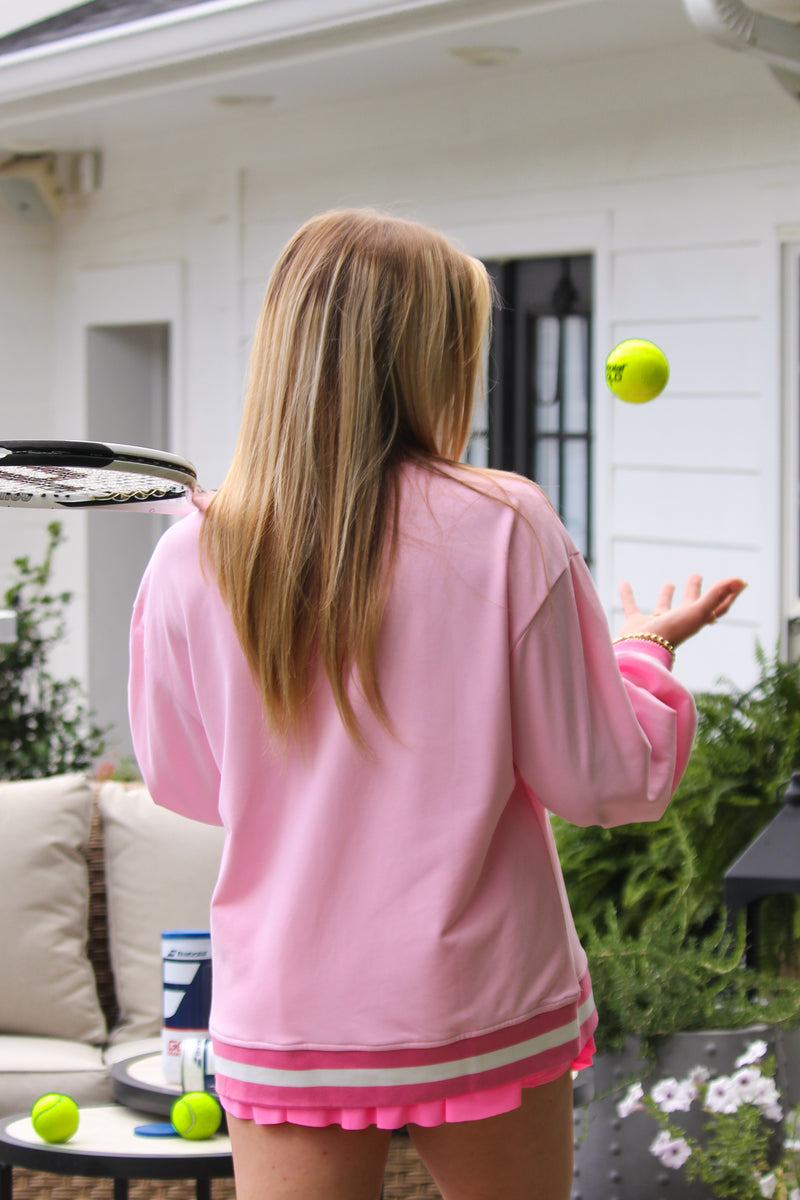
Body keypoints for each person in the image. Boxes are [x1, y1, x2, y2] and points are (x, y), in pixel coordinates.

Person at [128, 208, 745, 1200]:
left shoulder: (191, 554)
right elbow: (605, 780)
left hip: (291, 1008)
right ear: (428, 357)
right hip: (477, 998)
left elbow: (186, 781)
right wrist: (642, 652)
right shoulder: (503, 524)